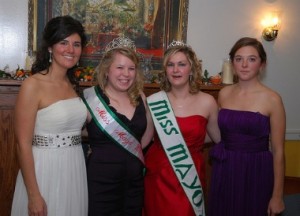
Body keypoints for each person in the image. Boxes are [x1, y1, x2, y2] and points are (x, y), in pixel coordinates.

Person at [11, 16, 88, 216]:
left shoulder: (72, 85)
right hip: (45, 169)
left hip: (73, 168)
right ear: (50, 47)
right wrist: (34, 194)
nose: (71, 49)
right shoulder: (33, 85)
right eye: (64, 42)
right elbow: (22, 143)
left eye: (76, 44)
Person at [209, 37, 285, 216]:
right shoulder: (224, 93)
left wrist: (277, 196)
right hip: (225, 168)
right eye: (238, 59)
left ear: (262, 64)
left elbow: (279, 151)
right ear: (232, 63)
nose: (244, 64)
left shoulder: (272, 99)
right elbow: (216, 132)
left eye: (251, 59)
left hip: (256, 170)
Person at [144, 41, 221, 216]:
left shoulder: (207, 101)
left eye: (181, 64)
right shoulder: (154, 101)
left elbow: (217, 138)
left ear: (191, 69)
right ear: (165, 70)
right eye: (170, 65)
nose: (175, 70)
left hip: (189, 174)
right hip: (158, 175)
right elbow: (145, 140)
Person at [82, 36, 154, 216]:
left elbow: (145, 138)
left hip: (133, 183)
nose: (126, 74)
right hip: (100, 183)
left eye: (131, 68)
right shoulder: (91, 100)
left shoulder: (141, 98)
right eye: (120, 67)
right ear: (107, 70)